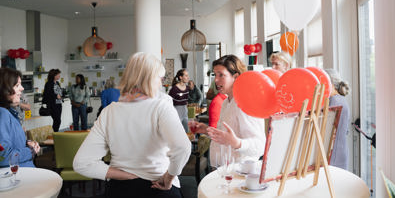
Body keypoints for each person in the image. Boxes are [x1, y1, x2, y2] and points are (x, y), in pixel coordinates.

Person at [73, 52, 191, 198]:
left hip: (119, 189)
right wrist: (168, 178)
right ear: (150, 78)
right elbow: (183, 148)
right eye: (160, 78)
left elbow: (82, 163)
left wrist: (124, 175)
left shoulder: (109, 112)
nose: (161, 83)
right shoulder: (161, 107)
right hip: (157, 185)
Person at [189, 55, 266, 164]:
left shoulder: (245, 103)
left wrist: (237, 143)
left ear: (235, 77)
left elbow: (260, 146)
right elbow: (226, 135)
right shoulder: (226, 102)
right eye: (215, 75)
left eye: (221, 75)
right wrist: (207, 130)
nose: (216, 80)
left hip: (239, 172)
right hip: (224, 169)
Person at [0, 68, 40, 167]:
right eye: (17, 85)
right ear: (4, 89)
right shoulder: (3, 114)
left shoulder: (10, 112)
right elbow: (3, 157)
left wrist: (27, 144)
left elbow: (11, 143)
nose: (22, 88)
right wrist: (30, 151)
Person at [325, 68, 351, 170]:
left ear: (329, 83)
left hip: (334, 155)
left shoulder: (334, 101)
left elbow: (327, 129)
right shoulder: (341, 100)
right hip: (340, 151)